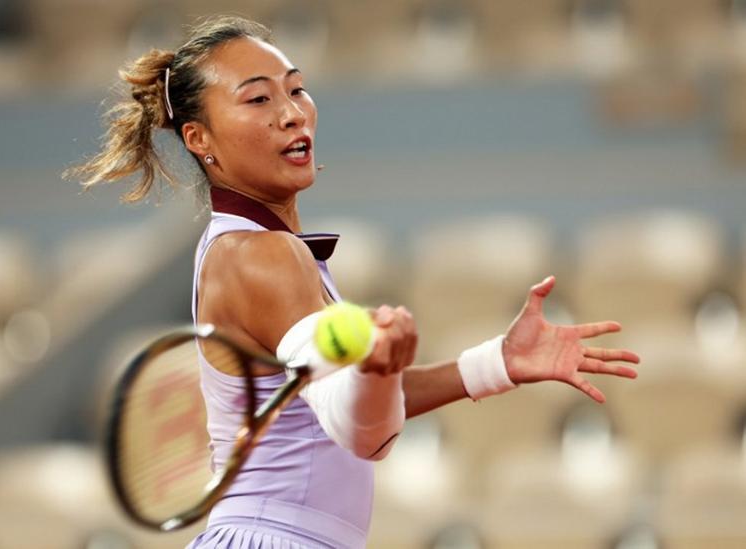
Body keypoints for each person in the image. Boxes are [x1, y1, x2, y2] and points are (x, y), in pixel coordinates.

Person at [64, 15, 640, 549]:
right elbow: (356, 426)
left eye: (296, 89)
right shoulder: (259, 255)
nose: (291, 112)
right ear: (199, 139)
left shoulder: (250, 247)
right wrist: (374, 371)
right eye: (258, 99)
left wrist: (496, 363)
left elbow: (340, 406)